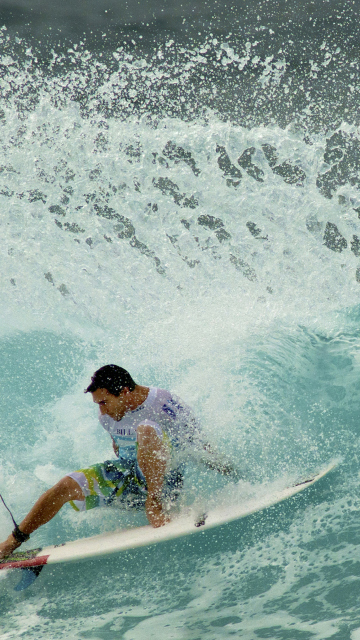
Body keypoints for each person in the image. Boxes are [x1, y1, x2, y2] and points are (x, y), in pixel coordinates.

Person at [0, 365, 236, 560]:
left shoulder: (164, 404)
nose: (101, 410)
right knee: (65, 486)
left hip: (166, 484)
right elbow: (118, 447)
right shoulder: (107, 415)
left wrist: (232, 473)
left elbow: (201, 446)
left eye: (104, 402)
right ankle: (12, 542)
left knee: (146, 429)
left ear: (124, 392)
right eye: (98, 404)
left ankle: (153, 503)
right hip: (131, 482)